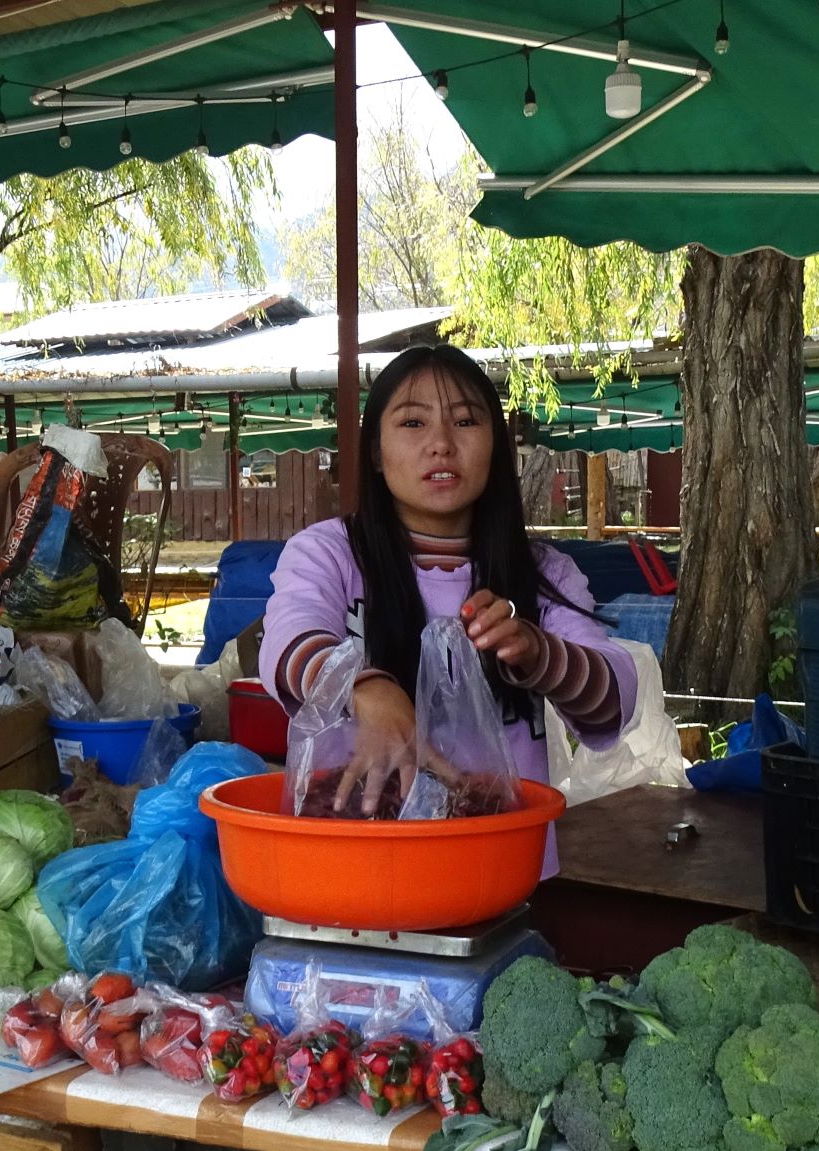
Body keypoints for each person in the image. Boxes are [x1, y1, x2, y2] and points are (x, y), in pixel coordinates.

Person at [261, 344, 639, 865]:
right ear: (375, 451)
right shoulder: (329, 552)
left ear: (496, 446)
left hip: (500, 875)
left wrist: (540, 655)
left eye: (465, 421)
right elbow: (287, 638)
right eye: (413, 423)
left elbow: (614, 701)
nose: (441, 444)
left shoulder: (544, 574)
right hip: (356, 872)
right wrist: (363, 686)